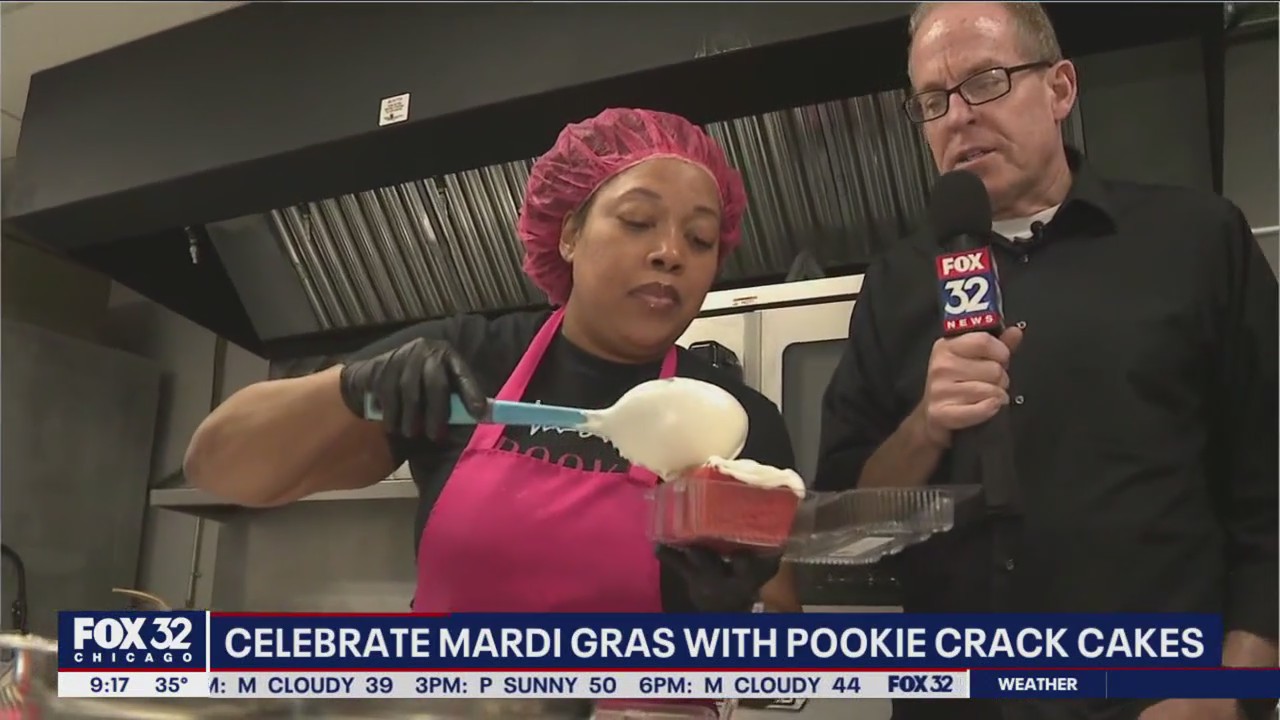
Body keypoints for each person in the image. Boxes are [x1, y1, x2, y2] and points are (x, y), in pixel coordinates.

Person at [815, 3, 1277, 720]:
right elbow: (842, 534)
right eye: (933, 101)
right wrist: (925, 430)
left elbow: (1269, 488)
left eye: (986, 81)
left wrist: (1239, 690)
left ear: (1060, 89)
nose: (958, 116)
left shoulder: (1195, 240)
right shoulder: (897, 284)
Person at [184, 107, 801, 620]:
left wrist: (728, 616)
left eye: (699, 239)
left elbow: (777, 642)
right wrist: (348, 386)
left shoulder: (737, 423)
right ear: (568, 235)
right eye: (639, 222)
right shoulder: (465, 364)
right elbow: (221, 471)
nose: (670, 252)